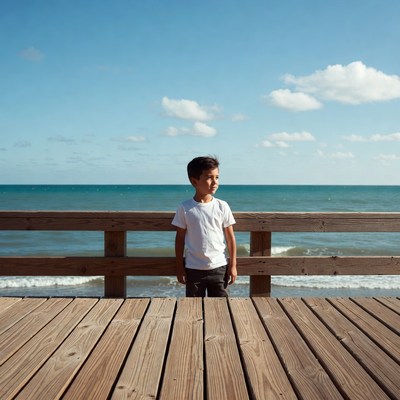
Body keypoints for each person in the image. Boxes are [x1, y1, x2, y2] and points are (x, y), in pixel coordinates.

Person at [171, 156, 237, 297]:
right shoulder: (185, 208)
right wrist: (179, 267)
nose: (215, 182)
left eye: (217, 177)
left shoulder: (222, 206)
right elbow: (179, 239)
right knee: (194, 309)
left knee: (220, 308)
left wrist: (233, 265)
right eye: (209, 178)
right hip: (193, 269)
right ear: (194, 181)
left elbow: (230, 238)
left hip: (219, 267)